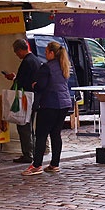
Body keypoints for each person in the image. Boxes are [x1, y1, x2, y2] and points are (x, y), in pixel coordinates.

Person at [22, 41, 73, 176]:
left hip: (49, 103)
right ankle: (54, 164)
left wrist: (34, 85)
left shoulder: (46, 67)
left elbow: (41, 86)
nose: (45, 54)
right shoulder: (63, 65)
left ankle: (36, 165)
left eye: (46, 52)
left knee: (41, 135)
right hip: (64, 103)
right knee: (56, 133)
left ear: (51, 53)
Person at [4, 38, 43, 164]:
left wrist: (14, 79)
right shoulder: (36, 60)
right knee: (30, 126)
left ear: (20, 50)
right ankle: (33, 151)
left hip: (25, 99)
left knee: (23, 126)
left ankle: (27, 154)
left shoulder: (27, 62)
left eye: (16, 52)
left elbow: (22, 82)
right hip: (34, 98)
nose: (17, 55)